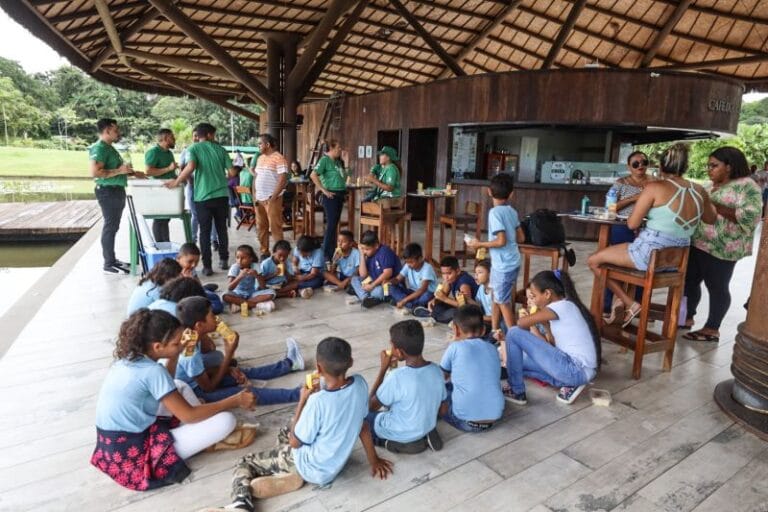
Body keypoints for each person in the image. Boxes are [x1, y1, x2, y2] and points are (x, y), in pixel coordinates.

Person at [211, 337, 392, 511]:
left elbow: (295, 443)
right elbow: (363, 426)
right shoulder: (360, 384)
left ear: (319, 368)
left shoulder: (318, 402)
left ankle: (242, 503)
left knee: (245, 462)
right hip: (334, 466)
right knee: (286, 430)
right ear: (351, 362)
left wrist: (302, 401)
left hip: (310, 465)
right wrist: (373, 460)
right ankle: (287, 472)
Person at [91, 309, 255, 491]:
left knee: (178, 384)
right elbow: (189, 416)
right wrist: (235, 400)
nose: (181, 346)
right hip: (135, 454)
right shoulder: (152, 371)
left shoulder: (128, 360)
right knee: (227, 420)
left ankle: (199, 433)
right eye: (176, 343)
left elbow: (165, 383)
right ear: (157, 347)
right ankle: (202, 436)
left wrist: (175, 353)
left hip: (112, 448)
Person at [587, 143, 716, 326]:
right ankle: (627, 304)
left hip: (649, 253)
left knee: (594, 260)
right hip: (677, 259)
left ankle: (629, 303)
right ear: (686, 167)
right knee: (621, 250)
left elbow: (632, 224)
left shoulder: (655, 187)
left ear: (661, 167)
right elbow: (711, 219)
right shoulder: (699, 190)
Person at [683, 146, 763, 343]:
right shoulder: (711, 186)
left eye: (714, 165)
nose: (709, 169)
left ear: (729, 166)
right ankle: (686, 317)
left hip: (724, 247)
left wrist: (713, 205)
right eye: (708, 166)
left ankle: (712, 328)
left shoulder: (747, 186)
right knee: (689, 281)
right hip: (699, 242)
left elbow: (751, 217)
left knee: (717, 286)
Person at [174, 296, 304, 404]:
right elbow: (209, 388)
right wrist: (229, 354)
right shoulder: (190, 354)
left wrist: (228, 369)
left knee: (242, 372)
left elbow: (202, 366)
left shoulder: (192, 337)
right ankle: (299, 395)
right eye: (212, 315)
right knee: (246, 394)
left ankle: (290, 364)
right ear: (199, 325)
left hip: (199, 381)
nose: (216, 319)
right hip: (197, 394)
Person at [502, 270, 600, 405]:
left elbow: (520, 324)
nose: (533, 300)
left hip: (575, 369)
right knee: (516, 365)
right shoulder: (567, 306)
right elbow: (553, 345)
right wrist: (545, 325)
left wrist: (529, 317)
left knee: (513, 333)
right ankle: (570, 384)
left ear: (547, 294)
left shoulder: (559, 306)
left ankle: (516, 391)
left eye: (534, 296)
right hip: (575, 372)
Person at [367, 320, 446, 453]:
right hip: (427, 423)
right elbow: (443, 409)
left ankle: (395, 442)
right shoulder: (436, 370)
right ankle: (425, 430)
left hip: (401, 431)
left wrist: (382, 370)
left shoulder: (396, 377)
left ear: (399, 352)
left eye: (392, 346)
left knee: (360, 418)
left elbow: (370, 407)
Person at [166, 123, 232, 276]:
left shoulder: (193, 149)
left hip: (203, 197)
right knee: (222, 229)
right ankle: (224, 259)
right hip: (221, 195)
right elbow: (231, 172)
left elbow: (190, 167)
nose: (214, 138)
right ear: (209, 134)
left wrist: (177, 181)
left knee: (205, 231)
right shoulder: (221, 150)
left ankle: (207, 266)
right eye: (213, 135)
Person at [466, 173, 524, 331]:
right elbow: (521, 237)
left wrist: (479, 244)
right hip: (512, 261)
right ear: (511, 194)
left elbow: (501, 241)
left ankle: (513, 336)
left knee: (502, 301)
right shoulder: (512, 211)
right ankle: (494, 330)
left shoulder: (495, 213)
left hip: (503, 265)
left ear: (489, 192)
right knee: (497, 296)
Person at [89, 118, 145, 274]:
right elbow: (95, 172)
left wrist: (134, 173)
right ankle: (109, 263)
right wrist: (120, 171)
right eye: (115, 130)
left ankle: (112, 260)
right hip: (108, 191)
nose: (118, 132)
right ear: (107, 130)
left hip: (116, 189)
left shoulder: (109, 148)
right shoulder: (99, 148)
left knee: (113, 226)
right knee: (110, 226)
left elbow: (117, 169)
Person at [439, 305, 504, 432]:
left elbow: (441, 378)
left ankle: (424, 421)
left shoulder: (455, 347)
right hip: (494, 417)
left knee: (437, 389)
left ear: (455, 329)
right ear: (484, 330)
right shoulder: (492, 349)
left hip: (465, 421)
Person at [602, 151, 653, 313]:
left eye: (644, 162)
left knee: (643, 266)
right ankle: (608, 305)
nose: (640, 166)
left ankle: (638, 304)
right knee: (616, 264)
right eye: (636, 164)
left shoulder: (654, 183)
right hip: (623, 226)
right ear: (629, 166)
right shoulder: (621, 183)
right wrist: (633, 198)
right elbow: (610, 207)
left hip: (647, 228)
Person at [310, 140, 349, 261]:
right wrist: (323, 190)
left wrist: (346, 162)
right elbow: (313, 175)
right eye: (338, 147)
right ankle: (326, 254)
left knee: (334, 224)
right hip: (330, 195)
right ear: (331, 149)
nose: (340, 150)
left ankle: (332, 251)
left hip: (340, 194)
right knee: (332, 224)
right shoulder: (324, 160)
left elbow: (344, 178)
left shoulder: (337, 162)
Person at [253, 134, 289, 259]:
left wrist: (273, 198)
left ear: (267, 145)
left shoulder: (279, 158)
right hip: (259, 199)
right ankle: (264, 251)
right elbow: (256, 177)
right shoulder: (260, 158)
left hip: (273, 199)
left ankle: (279, 254)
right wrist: (254, 195)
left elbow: (283, 179)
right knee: (261, 227)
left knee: (275, 228)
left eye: (260, 144)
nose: (258, 146)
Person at [180, 133, 218, 250]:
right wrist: (189, 180)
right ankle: (192, 241)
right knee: (195, 215)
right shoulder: (188, 150)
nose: (197, 138)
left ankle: (214, 240)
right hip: (193, 187)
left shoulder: (211, 150)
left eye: (198, 136)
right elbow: (182, 167)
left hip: (208, 187)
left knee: (212, 215)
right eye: (194, 135)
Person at [350, 230, 401, 309]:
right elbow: (363, 275)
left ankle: (367, 295)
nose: (364, 251)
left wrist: (372, 285)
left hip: (386, 284)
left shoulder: (384, 252)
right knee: (354, 280)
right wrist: (362, 256)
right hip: (374, 280)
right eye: (362, 248)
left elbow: (388, 273)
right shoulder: (368, 254)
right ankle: (366, 298)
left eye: (367, 249)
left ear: (376, 245)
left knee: (379, 291)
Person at [144, 129, 178, 243]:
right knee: (159, 220)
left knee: (165, 220)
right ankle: (160, 246)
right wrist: (168, 168)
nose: (174, 139)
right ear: (165, 138)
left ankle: (166, 243)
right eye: (172, 137)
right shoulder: (154, 152)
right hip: (159, 191)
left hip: (169, 190)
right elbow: (149, 171)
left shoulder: (169, 153)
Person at [222, 244, 277, 313]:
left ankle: (240, 305)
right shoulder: (235, 267)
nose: (239, 261)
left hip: (252, 294)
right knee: (225, 296)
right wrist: (240, 276)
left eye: (243, 258)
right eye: (237, 257)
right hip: (238, 294)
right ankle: (256, 305)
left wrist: (256, 275)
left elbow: (263, 287)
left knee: (271, 293)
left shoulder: (255, 266)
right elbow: (230, 288)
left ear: (251, 259)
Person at [176, 242, 224, 314]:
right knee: (217, 307)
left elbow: (199, 287)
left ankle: (206, 288)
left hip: (197, 292)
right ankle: (207, 288)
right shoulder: (173, 270)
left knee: (215, 297)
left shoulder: (190, 269)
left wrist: (194, 282)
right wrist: (187, 281)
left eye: (196, 262)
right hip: (186, 299)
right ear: (178, 259)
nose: (193, 265)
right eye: (190, 261)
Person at [428, 256, 478, 324]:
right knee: (437, 307)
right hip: (458, 306)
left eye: (449, 273)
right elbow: (443, 294)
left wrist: (445, 299)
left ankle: (434, 315)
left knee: (453, 312)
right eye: (443, 273)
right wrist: (434, 300)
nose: (446, 277)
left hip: (471, 311)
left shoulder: (464, 283)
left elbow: (466, 307)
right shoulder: (450, 279)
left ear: (457, 271)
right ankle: (436, 315)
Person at [390, 243, 437, 315]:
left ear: (420, 259)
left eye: (411, 262)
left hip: (425, 294)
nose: (409, 264)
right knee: (392, 288)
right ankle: (414, 307)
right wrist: (389, 282)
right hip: (413, 292)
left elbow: (422, 290)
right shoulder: (408, 266)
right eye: (407, 262)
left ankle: (407, 304)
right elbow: (397, 279)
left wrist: (404, 300)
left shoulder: (427, 268)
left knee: (426, 296)